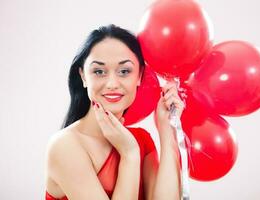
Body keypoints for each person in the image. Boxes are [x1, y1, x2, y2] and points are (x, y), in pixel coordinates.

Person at [45, 24, 185, 200]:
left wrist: (167, 129)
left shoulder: (141, 140)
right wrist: (129, 154)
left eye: (124, 71)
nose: (112, 83)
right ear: (83, 76)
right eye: (99, 71)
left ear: (140, 75)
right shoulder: (65, 145)